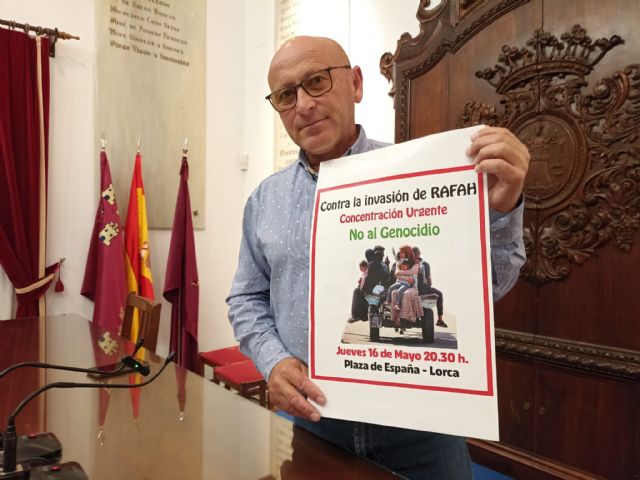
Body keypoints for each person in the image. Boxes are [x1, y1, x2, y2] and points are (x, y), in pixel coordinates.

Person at [227, 35, 529, 480]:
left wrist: (502, 210)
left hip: (422, 427)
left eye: (316, 81)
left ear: (355, 84)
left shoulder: (425, 175)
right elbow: (245, 298)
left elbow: (491, 288)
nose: (304, 105)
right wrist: (273, 360)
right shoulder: (264, 201)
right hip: (315, 419)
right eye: (286, 95)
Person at [413, 245, 447, 327]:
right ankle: (440, 319)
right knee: (439, 294)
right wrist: (427, 285)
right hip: (423, 289)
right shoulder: (425, 264)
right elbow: (429, 281)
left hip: (410, 288)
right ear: (419, 253)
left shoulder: (408, 263)